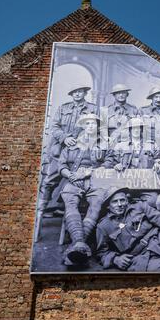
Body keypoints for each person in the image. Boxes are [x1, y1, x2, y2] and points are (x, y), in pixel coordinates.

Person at [35, 84, 97, 242]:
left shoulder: (92, 108)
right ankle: (39, 217)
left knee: (82, 183)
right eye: (74, 91)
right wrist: (64, 138)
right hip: (60, 152)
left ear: (84, 93)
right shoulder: (64, 108)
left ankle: (74, 224)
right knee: (48, 181)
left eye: (80, 91)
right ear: (72, 94)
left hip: (83, 151)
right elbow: (54, 127)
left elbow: (97, 126)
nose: (77, 94)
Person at [58, 114, 114, 265]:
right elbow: (61, 165)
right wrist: (70, 175)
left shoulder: (104, 143)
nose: (90, 126)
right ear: (83, 126)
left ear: (97, 127)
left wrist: (91, 171)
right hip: (73, 179)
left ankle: (76, 244)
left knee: (96, 204)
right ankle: (81, 244)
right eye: (87, 123)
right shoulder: (72, 143)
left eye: (93, 124)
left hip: (95, 178)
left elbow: (110, 160)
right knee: (70, 202)